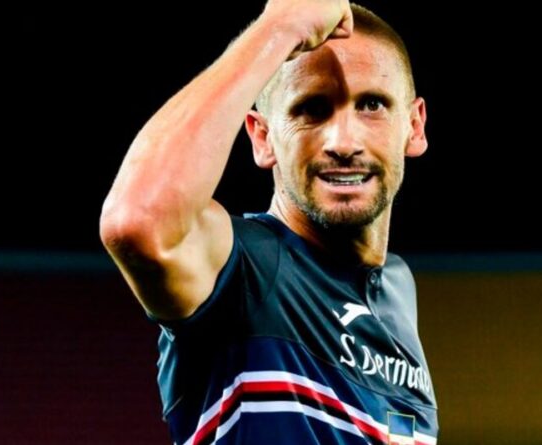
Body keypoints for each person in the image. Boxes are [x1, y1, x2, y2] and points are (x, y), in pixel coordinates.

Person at [100, 1, 437, 443]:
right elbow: (138, 221)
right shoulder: (244, 273)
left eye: (372, 104)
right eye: (311, 109)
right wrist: (278, 27)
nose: (344, 142)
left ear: (414, 126)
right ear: (262, 137)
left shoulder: (397, 289)